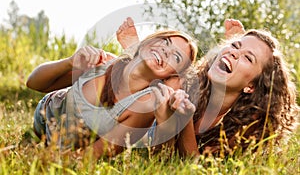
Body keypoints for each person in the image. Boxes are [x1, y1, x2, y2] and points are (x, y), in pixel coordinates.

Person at [116, 18, 299, 157]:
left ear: (250, 87)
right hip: (145, 116)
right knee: (166, 82)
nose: (233, 51)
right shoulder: (183, 83)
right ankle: (135, 52)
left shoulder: (248, 125)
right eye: (235, 45)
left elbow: (193, 166)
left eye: (248, 58)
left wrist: (184, 120)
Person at [26, 28, 198, 159]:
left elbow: (92, 156)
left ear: (171, 75)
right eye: (165, 41)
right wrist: (70, 62)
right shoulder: (104, 61)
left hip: (63, 145)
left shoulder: (145, 105)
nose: (166, 51)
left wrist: (54, 160)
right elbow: (33, 83)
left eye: (176, 57)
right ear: (146, 42)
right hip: (45, 117)